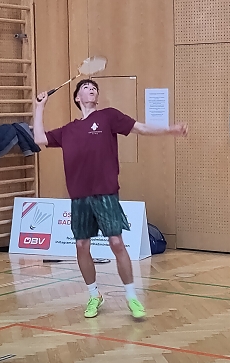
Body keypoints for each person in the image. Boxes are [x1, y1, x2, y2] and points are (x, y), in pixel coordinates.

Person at [32, 79, 187, 320]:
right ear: (77, 98)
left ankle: (131, 296)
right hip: (79, 196)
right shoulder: (68, 131)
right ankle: (94, 295)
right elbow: (39, 139)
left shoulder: (108, 117)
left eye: (94, 88)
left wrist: (169, 130)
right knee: (81, 246)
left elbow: (141, 128)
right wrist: (40, 106)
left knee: (116, 242)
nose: (91, 89)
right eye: (85, 87)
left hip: (105, 193)